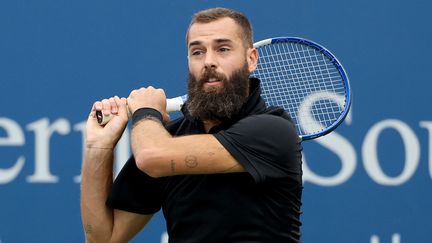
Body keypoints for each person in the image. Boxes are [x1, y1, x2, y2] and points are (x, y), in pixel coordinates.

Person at [81, 7, 303, 243]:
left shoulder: (273, 131)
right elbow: (103, 239)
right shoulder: (167, 138)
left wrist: (146, 111)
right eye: (197, 52)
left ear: (251, 59)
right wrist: (98, 147)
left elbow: (151, 157)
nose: (208, 61)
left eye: (223, 49)